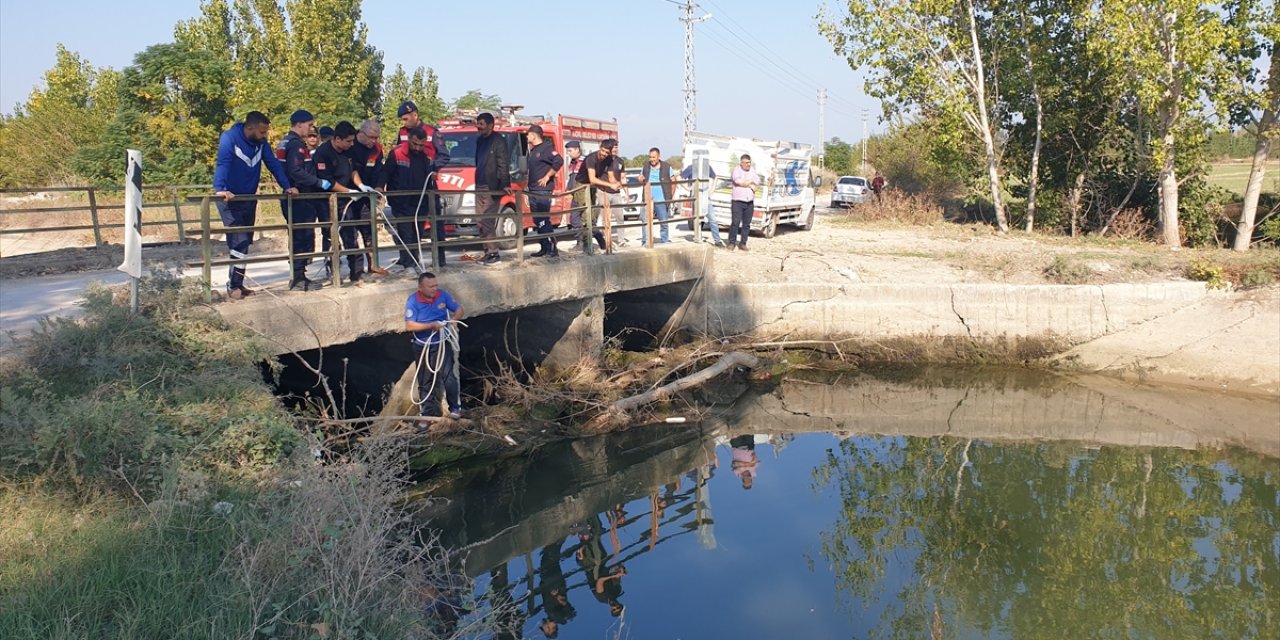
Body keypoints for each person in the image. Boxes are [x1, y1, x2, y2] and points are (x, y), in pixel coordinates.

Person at [212, 111, 298, 300]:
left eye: (266, 132)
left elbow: (273, 165)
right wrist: (220, 188)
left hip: (249, 198)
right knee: (238, 241)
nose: (264, 136)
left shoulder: (261, 144)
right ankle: (233, 284)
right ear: (249, 128)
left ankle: (238, 283)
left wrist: (287, 186)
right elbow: (223, 163)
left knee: (245, 242)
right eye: (262, 132)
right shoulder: (230, 138)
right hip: (230, 198)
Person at [313, 121, 375, 283]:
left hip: (345, 200)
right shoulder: (323, 153)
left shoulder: (349, 151)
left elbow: (353, 169)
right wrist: (348, 191)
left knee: (351, 236)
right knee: (330, 237)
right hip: (327, 201)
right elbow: (327, 180)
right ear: (337, 139)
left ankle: (357, 272)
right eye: (348, 141)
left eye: (352, 141)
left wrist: (360, 185)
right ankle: (333, 271)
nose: (351, 144)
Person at [276, 109, 330, 290]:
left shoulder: (285, 142)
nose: (311, 128)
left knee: (300, 235)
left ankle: (299, 275)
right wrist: (318, 182)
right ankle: (298, 278)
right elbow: (296, 171)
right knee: (301, 236)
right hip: (298, 198)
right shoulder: (296, 144)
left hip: (292, 196)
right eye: (309, 124)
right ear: (299, 124)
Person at [404, 271, 464, 421]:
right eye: (430, 286)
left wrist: (455, 320)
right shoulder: (412, 301)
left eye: (436, 285)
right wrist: (431, 325)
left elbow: (458, 309)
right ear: (420, 288)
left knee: (449, 376)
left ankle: (455, 409)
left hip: (442, 342)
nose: (434, 289)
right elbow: (409, 326)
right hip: (422, 346)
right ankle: (426, 415)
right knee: (425, 380)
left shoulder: (442, 295)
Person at [380, 126, 438, 273]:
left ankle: (414, 261)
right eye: (415, 144)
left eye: (421, 145)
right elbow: (386, 173)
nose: (417, 148)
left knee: (417, 232)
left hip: (420, 201)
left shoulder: (428, 154)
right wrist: (379, 187)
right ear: (409, 140)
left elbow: (432, 172)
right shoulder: (397, 153)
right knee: (405, 232)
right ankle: (408, 264)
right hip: (401, 201)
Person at [344, 119, 388, 275]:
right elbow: (348, 170)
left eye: (376, 138)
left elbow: (380, 170)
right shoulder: (350, 145)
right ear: (360, 133)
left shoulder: (376, 149)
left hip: (368, 195)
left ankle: (373, 264)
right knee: (351, 235)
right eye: (371, 137)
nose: (374, 141)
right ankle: (356, 271)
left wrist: (379, 187)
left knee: (369, 231)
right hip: (349, 195)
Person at [473, 112, 510, 265]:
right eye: (478, 124)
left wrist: (505, 184)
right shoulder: (480, 140)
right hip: (480, 185)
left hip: (492, 186)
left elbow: (503, 164)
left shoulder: (499, 141)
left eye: (481, 124)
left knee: (487, 219)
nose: (478, 127)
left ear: (490, 125)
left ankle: (494, 253)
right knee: (479, 220)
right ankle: (487, 252)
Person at [526, 124, 563, 258]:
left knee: (543, 220)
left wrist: (548, 176)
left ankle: (553, 247)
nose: (526, 136)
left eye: (528, 134)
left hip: (542, 191)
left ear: (534, 135)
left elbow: (559, 161)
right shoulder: (533, 150)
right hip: (533, 190)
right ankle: (544, 246)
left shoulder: (546, 148)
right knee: (537, 221)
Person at [583, 138, 622, 251]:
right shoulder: (591, 158)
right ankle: (598, 241)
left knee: (587, 217)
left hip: (592, 188)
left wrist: (616, 183)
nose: (604, 154)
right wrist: (610, 185)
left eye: (607, 152)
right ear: (599, 148)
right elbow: (592, 179)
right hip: (583, 185)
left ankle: (590, 245)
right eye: (603, 151)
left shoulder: (609, 159)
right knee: (581, 217)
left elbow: (611, 177)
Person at [537, 540, 576, 638]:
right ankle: (560, 537)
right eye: (544, 629)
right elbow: (569, 613)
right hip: (553, 581)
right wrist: (559, 597)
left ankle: (557, 539)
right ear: (549, 630)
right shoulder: (559, 619)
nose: (543, 626)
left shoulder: (551, 615)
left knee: (550, 558)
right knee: (550, 558)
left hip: (550, 581)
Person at [681, 158, 724, 247]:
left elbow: (715, 177)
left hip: (705, 196)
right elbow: (679, 178)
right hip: (695, 196)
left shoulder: (707, 167)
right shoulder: (691, 168)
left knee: (712, 219)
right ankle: (698, 237)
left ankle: (717, 240)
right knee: (697, 219)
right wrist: (688, 188)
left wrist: (712, 190)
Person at [640, 147, 674, 245]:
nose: (652, 159)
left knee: (663, 221)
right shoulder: (645, 167)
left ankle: (664, 241)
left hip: (661, 199)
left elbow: (673, 181)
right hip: (647, 199)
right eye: (650, 157)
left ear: (659, 157)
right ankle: (645, 241)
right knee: (645, 221)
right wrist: (640, 178)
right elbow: (640, 177)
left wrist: (670, 196)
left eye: (654, 157)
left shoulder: (667, 167)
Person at [728, 154, 759, 251]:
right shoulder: (737, 170)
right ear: (741, 163)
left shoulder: (753, 170)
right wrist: (750, 183)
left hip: (749, 202)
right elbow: (739, 182)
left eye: (749, 162)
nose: (748, 164)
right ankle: (731, 243)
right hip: (738, 201)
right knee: (735, 223)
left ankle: (743, 243)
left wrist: (746, 183)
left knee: (746, 224)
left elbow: (757, 182)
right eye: (746, 163)